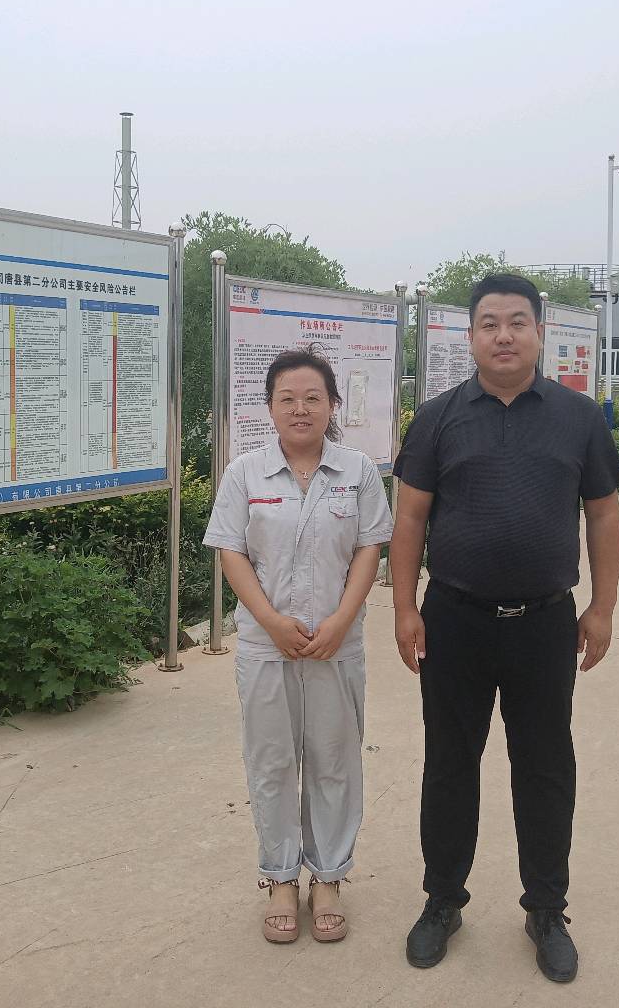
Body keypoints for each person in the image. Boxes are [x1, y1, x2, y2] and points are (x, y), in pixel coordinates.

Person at [389, 273, 619, 983]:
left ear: (539, 333)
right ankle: (443, 901)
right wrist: (404, 608)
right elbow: (409, 518)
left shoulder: (578, 417)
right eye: (489, 323)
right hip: (454, 621)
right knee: (449, 764)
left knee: (545, 768)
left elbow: (604, 516)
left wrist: (603, 607)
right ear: (469, 336)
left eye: (517, 322)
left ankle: (546, 910)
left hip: (546, 624)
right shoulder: (437, 418)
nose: (503, 335)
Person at [203, 348, 393, 944]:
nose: (300, 409)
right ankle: (281, 876)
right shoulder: (245, 473)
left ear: (333, 405)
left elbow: (369, 549)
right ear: (270, 407)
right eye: (287, 398)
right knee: (272, 762)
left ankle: (329, 876)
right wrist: (271, 621)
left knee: (334, 758)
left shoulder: (358, 472)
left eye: (313, 398)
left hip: (338, 642)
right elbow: (231, 551)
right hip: (266, 645)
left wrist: (341, 620)